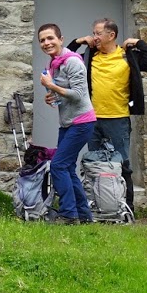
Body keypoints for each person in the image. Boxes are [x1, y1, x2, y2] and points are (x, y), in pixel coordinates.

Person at [66, 17, 147, 207]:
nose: (95, 37)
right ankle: (100, 204)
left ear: (112, 35)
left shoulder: (127, 55)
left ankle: (127, 206)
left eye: (98, 33)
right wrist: (79, 41)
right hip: (92, 119)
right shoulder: (90, 55)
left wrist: (139, 43)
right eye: (94, 33)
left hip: (118, 118)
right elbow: (65, 55)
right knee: (95, 163)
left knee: (121, 164)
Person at [38, 22, 96, 223]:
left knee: (58, 165)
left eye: (50, 38)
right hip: (67, 123)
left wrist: (51, 85)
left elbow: (80, 95)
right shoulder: (52, 65)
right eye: (42, 40)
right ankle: (83, 215)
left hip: (82, 122)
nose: (46, 43)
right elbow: (62, 95)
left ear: (61, 40)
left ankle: (68, 213)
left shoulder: (73, 62)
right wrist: (51, 95)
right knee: (67, 168)